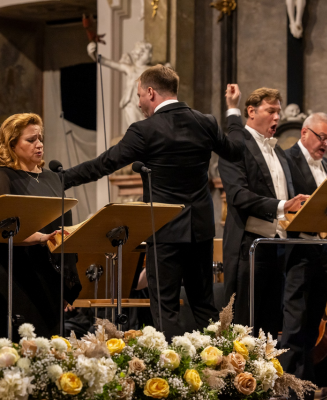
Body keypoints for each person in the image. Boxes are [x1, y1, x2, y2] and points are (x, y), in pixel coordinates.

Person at [63, 65, 244, 339]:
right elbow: (236, 150)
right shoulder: (206, 122)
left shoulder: (144, 130)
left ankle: (174, 365)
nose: (138, 103)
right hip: (200, 230)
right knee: (204, 305)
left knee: (165, 308)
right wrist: (233, 112)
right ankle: (220, 360)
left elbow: (104, 164)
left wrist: (61, 179)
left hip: (165, 230)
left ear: (150, 92)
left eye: (139, 95)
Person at [0, 113, 82, 349]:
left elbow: (62, 228)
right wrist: (42, 238)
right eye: (31, 139)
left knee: (47, 353)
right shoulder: (2, 176)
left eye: (40, 138)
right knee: (14, 352)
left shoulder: (52, 179)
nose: (39, 144)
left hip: (47, 278)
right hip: (13, 276)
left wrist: (66, 283)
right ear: (12, 144)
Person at [218, 84, 308, 336]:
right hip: (249, 248)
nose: (277, 117)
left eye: (279, 111)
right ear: (251, 111)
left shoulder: (277, 150)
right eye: (270, 111)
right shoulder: (236, 145)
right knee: (242, 327)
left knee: (269, 329)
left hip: (277, 247)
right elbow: (237, 195)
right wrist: (282, 206)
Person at [280, 113, 327, 393]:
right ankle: (287, 387)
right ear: (304, 133)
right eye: (321, 137)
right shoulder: (286, 160)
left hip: (323, 251)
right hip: (297, 249)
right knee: (295, 324)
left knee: (313, 324)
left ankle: (304, 389)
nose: (325, 144)